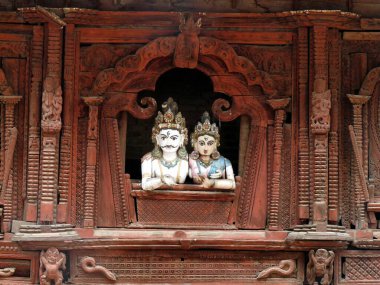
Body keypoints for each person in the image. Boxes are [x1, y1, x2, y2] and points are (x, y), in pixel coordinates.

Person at [141, 98, 188, 190]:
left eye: (174, 138)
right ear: (157, 139)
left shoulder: (188, 159)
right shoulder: (149, 160)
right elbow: (145, 185)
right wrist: (161, 180)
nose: (168, 142)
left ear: (181, 139)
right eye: (163, 137)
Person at [189, 112, 235, 189]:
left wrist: (213, 182)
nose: (206, 148)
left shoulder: (224, 162)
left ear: (215, 144)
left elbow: (233, 184)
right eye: (202, 143)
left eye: (210, 143)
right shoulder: (191, 161)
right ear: (195, 144)